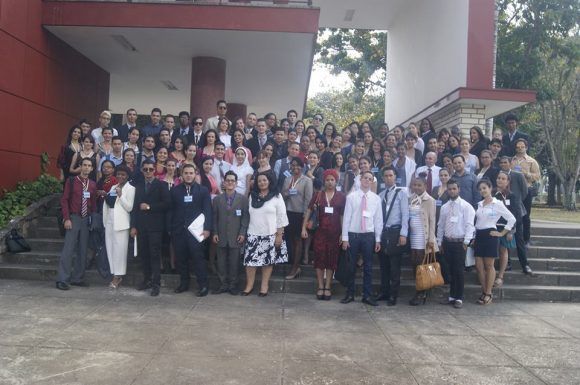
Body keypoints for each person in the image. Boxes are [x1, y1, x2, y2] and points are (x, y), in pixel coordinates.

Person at [299, 169, 345, 300]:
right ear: (324, 181)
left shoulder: (341, 196)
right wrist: (303, 228)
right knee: (319, 259)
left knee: (331, 260)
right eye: (327, 180)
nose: (330, 182)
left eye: (332, 180)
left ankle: (328, 286)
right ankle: (320, 286)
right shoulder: (318, 195)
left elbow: (342, 216)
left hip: (335, 233)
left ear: (336, 181)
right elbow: (308, 211)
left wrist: (343, 233)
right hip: (320, 232)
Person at [242, 172, 289, 296]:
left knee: (267, 263)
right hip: (253, 233)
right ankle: (249, 285)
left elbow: (281, 216)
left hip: (270, 234)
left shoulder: (277, 196)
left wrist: (279, 235)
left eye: (264, 180)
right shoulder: (252, 196)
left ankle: (264, 286)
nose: (262, 182)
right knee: (250, 262)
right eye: (259, 181)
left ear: (269, 181)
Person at [169, 163, 212, 297]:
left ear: (195, 174)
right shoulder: (175, 191)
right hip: (179, 231)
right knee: (181, 259)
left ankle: (203, 285)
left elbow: (207, 211)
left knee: (198, 258)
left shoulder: (203, 191)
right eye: (186, 173)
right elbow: (171, 211)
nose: (188, 175)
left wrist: (207, 229)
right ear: (182, 175)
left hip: (196, 232)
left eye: (191, 173)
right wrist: (171, 228)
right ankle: (184, 283)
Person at [340, 171, 383, 306]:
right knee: (351, 266)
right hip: (354, 234)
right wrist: (345, 238)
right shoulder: (352, 197)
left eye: (370, 179)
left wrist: (378, 239)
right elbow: (346, 218)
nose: (367, 181)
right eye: (365, 178)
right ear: (360, 179)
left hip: (368, 236)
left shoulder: (376, 198)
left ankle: (367, 295)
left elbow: (378, 220)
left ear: (372, 182)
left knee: (368, 267)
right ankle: (350, 293)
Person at [130, 160, 171, 296]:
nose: (148, 172)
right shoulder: (138, 185)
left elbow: (167, 204)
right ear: (142, 170)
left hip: (155, 227)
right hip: (141, 226)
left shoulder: (161, 185)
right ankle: (146, 280)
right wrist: (134, 226)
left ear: (155, 170)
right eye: (145, 169)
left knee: (154, 255)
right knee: (144, 255)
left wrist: (149, 207)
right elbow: (135, 207)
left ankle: (156, 284)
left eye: (151, 169)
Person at [56, 158, 97, 290]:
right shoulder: (72, 181)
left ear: (92, 169)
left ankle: (77, 278)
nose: (86, 168)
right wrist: (66, 218)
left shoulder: (92, 184)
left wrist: (93, 220)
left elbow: (93, 204)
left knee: (83, 250)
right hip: (73, 218)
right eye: (84, 165)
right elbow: (64, 200)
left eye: (89, 166)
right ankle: (62, 279)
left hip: (86, 219)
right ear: (80, 167)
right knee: (68, 250)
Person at [473, 178, 516, 305]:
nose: (482, 191)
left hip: (491, 235)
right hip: (479, 235)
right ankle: (484, 290)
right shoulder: (479, 204)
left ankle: (488, 293)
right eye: (480, 189)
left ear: (490, 188)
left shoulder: (497, 204)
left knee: (489, 265)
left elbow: (511, 219)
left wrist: (502, 233)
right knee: (479, 266)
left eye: (484, 188)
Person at [436, 178, 475, 309]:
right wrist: (439, 241)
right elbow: (440, 225)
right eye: (450, 189)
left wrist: (466, 242)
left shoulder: (466, 206)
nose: (452, 191)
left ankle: (459, 297)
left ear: (459, 189)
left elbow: (470, 225)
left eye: (454, 188)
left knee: (458, 271)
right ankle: (451, 296)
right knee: (449, 271)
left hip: (460, 243)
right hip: (447, 243)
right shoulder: (445, 207)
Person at [212, 171, 249, 295]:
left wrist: (242, 233)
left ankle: (233, 285)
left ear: (236, 183)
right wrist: (215, 233)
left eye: (232, 180)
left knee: (234, 262)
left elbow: (245, 218)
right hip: (221, 235)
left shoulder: (243, 199)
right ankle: (223, 284)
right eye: (228, 180)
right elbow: (214, 218)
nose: (230, 182)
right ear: (224, 182)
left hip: (236, 235)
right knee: (221, 262)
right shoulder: (217, 199)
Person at [376, 167, 409, 306]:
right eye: (386, 176)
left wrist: (403, 234)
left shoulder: (401, 193)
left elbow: (405, 215)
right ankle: (384, 292)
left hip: (396, 231)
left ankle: (393, 295)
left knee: (395, 266)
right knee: (384, 265)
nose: (388, 178)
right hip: (384, 232)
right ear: (383, 178)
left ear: (395, 177)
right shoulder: (381, 195)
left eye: (391, 175)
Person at [498, 156, 532, 274]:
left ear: (510, 163)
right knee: (505, 242)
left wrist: (516, 201)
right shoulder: (498, 177)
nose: (503, 164)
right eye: (501, 162)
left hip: (517, 212)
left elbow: (525, 191)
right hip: (503, 218)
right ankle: (508, 263)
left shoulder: (517, 175)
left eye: (505, 162)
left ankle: (525, 265)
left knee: (519, 241)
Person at [102, 165, 135, 289]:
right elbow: (108, 203)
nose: (120, 176)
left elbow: (129, 207)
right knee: (110, 248)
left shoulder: (130, 189)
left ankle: (118, 276)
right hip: (109, 220)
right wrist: (105, 196)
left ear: (127, 176)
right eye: (119, 174)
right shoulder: (112, 187)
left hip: (121, 223)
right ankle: (114, 273)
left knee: (120, 251)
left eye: (123, 174)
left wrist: (121, 196)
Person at [408, 177, 438, 306]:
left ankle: (421, 292)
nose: (417, 187)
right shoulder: (411, 198)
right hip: (413, 238)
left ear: (425, 186)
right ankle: (420, 289)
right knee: (415, 266)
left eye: (419, 185)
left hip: (423, 238)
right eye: (414, 185)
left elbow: (432, 221)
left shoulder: (430, 200)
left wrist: (431, 240)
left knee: (422, 267)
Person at [282, 157, 313, 280]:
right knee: (290, 241)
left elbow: (309, 200)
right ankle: (293, 265)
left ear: (302, 166)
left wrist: (305, 217)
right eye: (293, 165)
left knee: (298, 241)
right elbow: (282, 195)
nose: (295, 167)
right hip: (288, 213)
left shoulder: (307, 180)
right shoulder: (287, 179)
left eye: (298, 165)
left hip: (300, 214)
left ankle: (295, 267)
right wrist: (288, 192)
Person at [494, 171, 522, 288]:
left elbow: (516, 214)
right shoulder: (492, 194)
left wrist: (511, 230)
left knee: (503, 251)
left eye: (503, 178)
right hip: (493, 226)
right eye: (499, 178)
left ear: (508, 181)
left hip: (506, 227)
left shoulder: (512, 195)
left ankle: (500, 276)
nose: (500, 180)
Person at [511, 138, 540, 245]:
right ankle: (514, 237)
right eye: (518, 147)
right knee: (514, 214)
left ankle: (526, 239)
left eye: (522, 147)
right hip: (513, 191)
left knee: (526, 215)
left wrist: (527, 174)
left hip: (526, 190)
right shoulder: (512, 160)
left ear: (526, 147)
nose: (520, 149)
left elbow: (537, 176)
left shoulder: (532, 161)